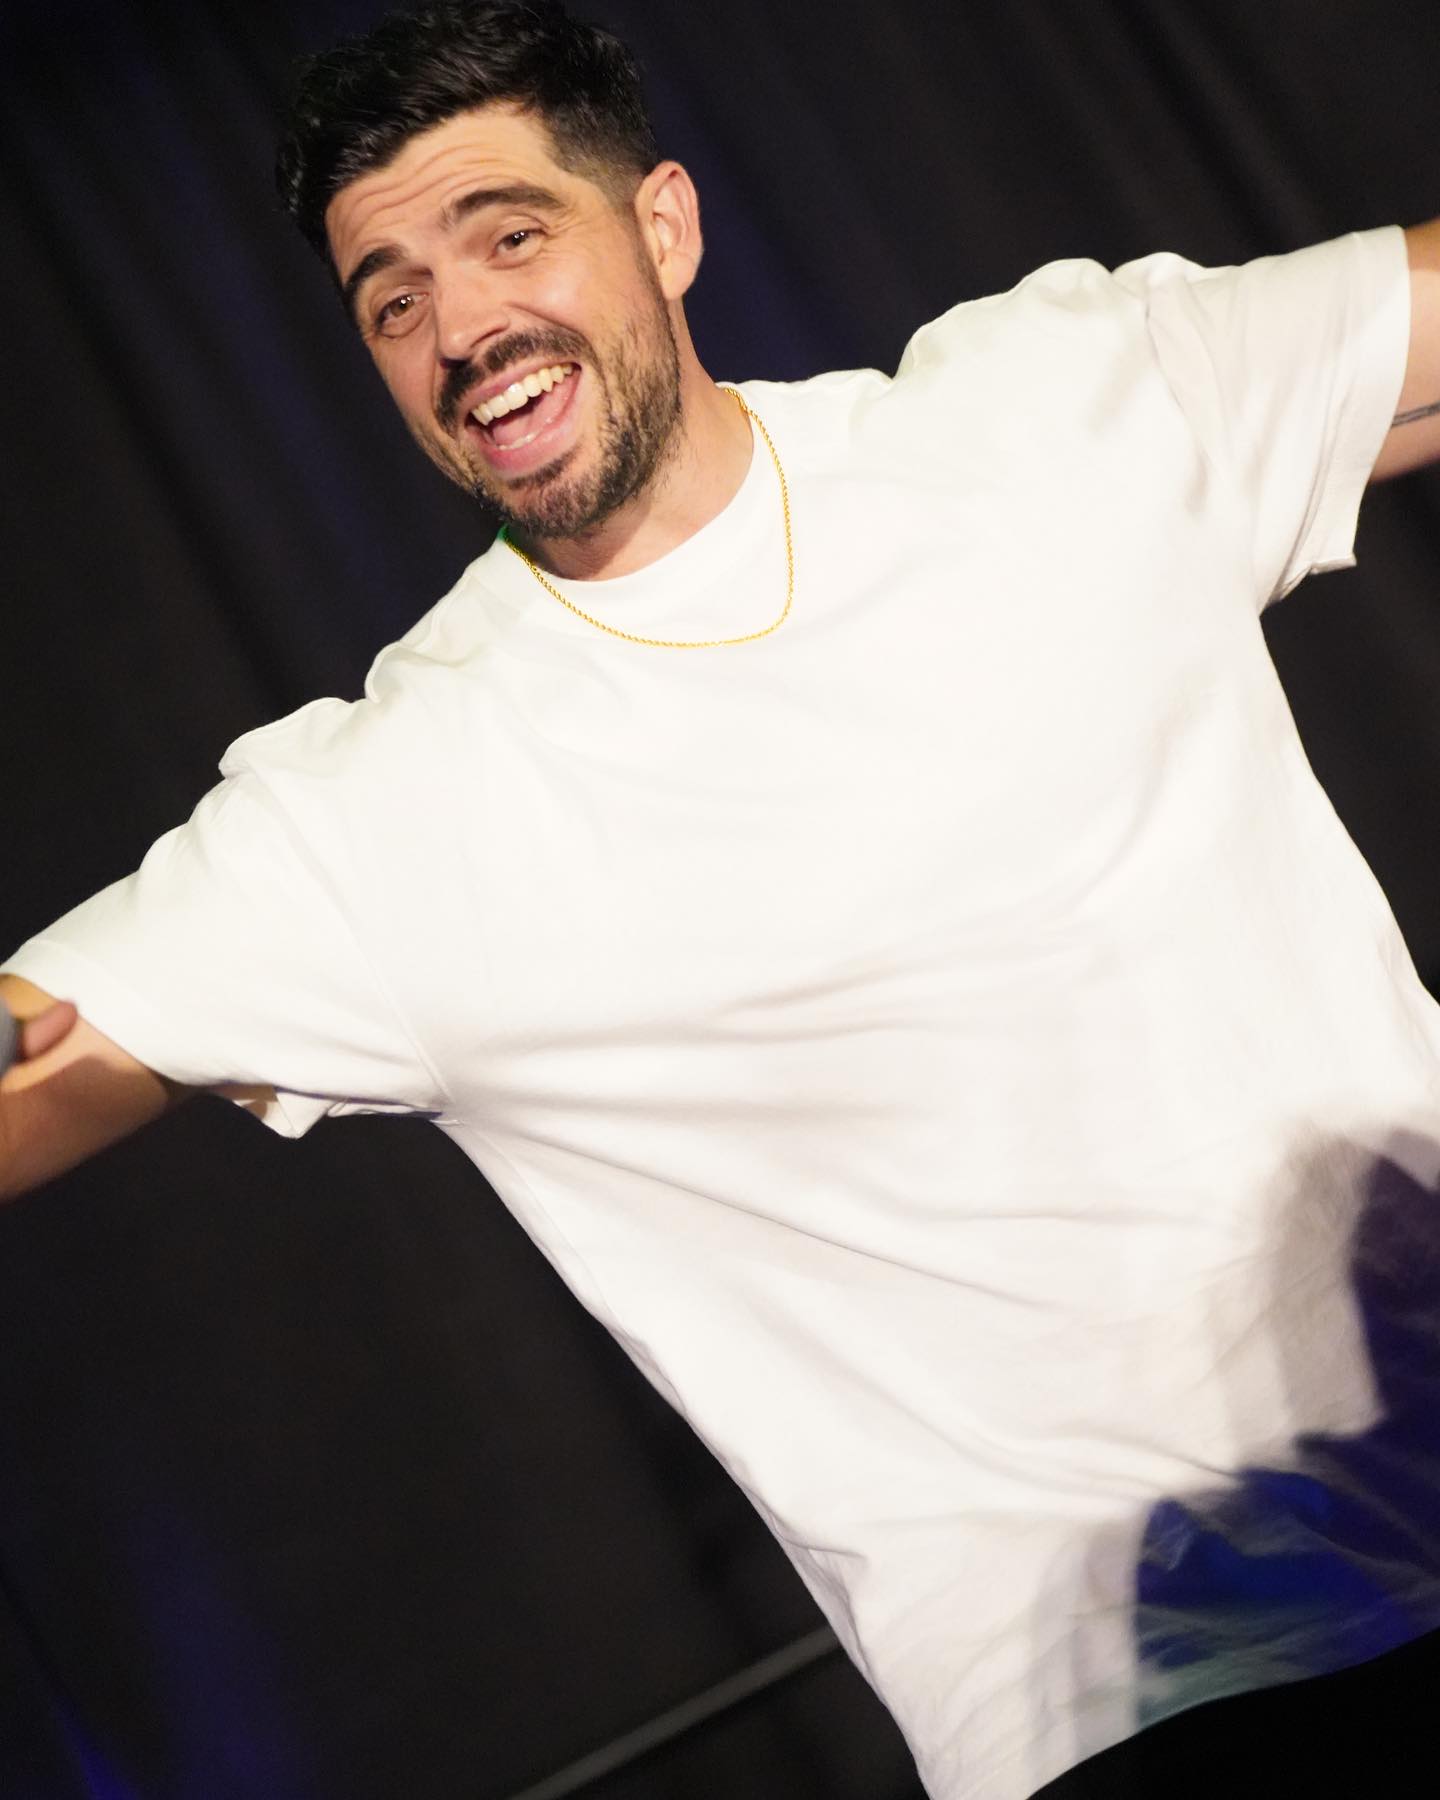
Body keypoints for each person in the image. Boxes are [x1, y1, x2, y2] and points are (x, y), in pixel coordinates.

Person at [3, 2, 1440, 1795]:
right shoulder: (380, 818)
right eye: (391, 301)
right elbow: (41, 1060)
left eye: (508, 236)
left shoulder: (1054, 417)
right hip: (1137, 1707)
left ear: (664, 227)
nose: (460, 329)